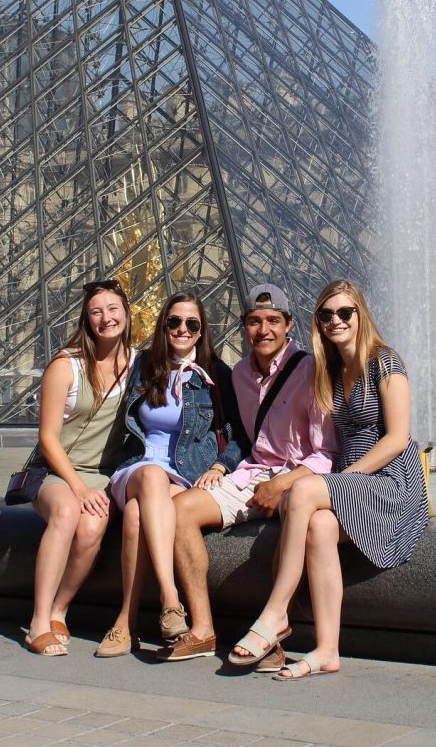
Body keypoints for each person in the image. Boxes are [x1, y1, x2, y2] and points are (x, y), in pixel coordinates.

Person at [228, 278, 428, 679]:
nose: (335, 320)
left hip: (389, 482)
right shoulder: (331, 370)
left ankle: (276, 611)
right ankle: (327, 649)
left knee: (303, 491)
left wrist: (344, 481)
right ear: (317, 322)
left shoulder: (385, 361)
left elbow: (397, 438)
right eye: (326, 314)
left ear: (360, 314)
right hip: (352, 481)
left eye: (344, 312)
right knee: (319, 527)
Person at [157, 283, 337, 666]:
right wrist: (222, 466)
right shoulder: (237, 374)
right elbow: (239, 434)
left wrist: (282, 484)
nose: (264, 330)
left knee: (298, 519)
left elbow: (326, 453)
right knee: (180, 509)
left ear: (289, 324)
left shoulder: (311, 370)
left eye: (273, 320)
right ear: (244, 327)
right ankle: (203, 629)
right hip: (252, 475)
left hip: (299, 478)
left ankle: (271, 636)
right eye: (254, 322)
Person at [94, 291, 245, 658]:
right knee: (150, 477)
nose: (182, 329)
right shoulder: (143, 365)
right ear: (163, 325)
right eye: (174, 321)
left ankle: (126, 621)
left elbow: (241, 432)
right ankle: (169, 597)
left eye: (191, 324)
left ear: (201, 330)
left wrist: (219, 465)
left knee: (136, 515)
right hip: (137, 467)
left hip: (184, 473)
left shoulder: (216, 373)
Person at [25, 279, 136, 656]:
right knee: (69, 512)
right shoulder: (65, 365)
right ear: (87, 320)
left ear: (127, 311)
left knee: (91, 530)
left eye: (113, 309)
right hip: (56, 471)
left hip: (102, 474)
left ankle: (60, 609)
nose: (107, 318)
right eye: (96, 311)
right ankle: (39, 620)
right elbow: (48, 439)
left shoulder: (139, 363)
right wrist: (78, 487)